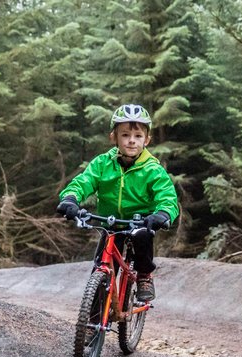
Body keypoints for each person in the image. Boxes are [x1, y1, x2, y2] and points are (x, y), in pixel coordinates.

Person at [56, 104, 179, 302]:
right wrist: (70, 198)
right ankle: (94, 319)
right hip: (110, 222)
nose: (131, 141)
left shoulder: (153, 169)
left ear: (146, 140)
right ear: (113, 137)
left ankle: (145, 276)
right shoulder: (102, 164)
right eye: (125, 135)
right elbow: (83, 182)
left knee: (143, 237)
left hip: (140, 222)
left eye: (138, 136)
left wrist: (163, 213)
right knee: (102, 267)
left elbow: (167, 197)